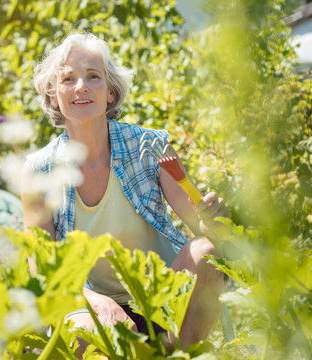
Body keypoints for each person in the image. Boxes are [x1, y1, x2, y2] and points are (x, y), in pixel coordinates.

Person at [21, 32, 230, 352]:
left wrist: (213, 219)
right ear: (53, 95)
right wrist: (95, 302)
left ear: (110, 92)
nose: (81, 87)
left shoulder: (150, 147)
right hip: (92, 304)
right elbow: (43, 271)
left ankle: (178, 354)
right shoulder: (38, 171)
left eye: (93, 76)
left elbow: (198, 224)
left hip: (165, 294)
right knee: (85, 328)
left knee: (207, 250)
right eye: (68, 79)